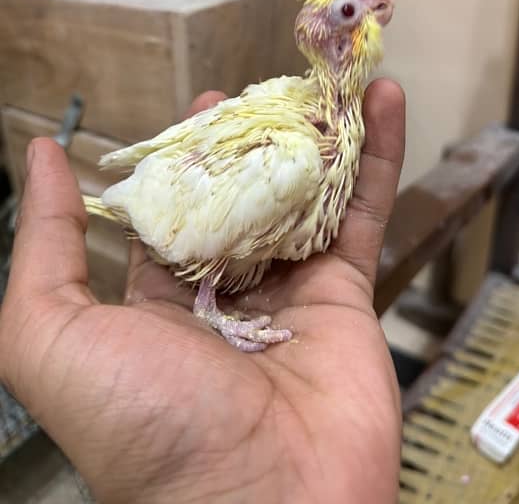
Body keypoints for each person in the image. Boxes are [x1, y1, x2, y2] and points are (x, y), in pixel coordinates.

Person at [0, 79, 405, 504]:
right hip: (182, 213)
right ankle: (209, 305)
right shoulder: (293, 157)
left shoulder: (307, 116)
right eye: (348, 10)